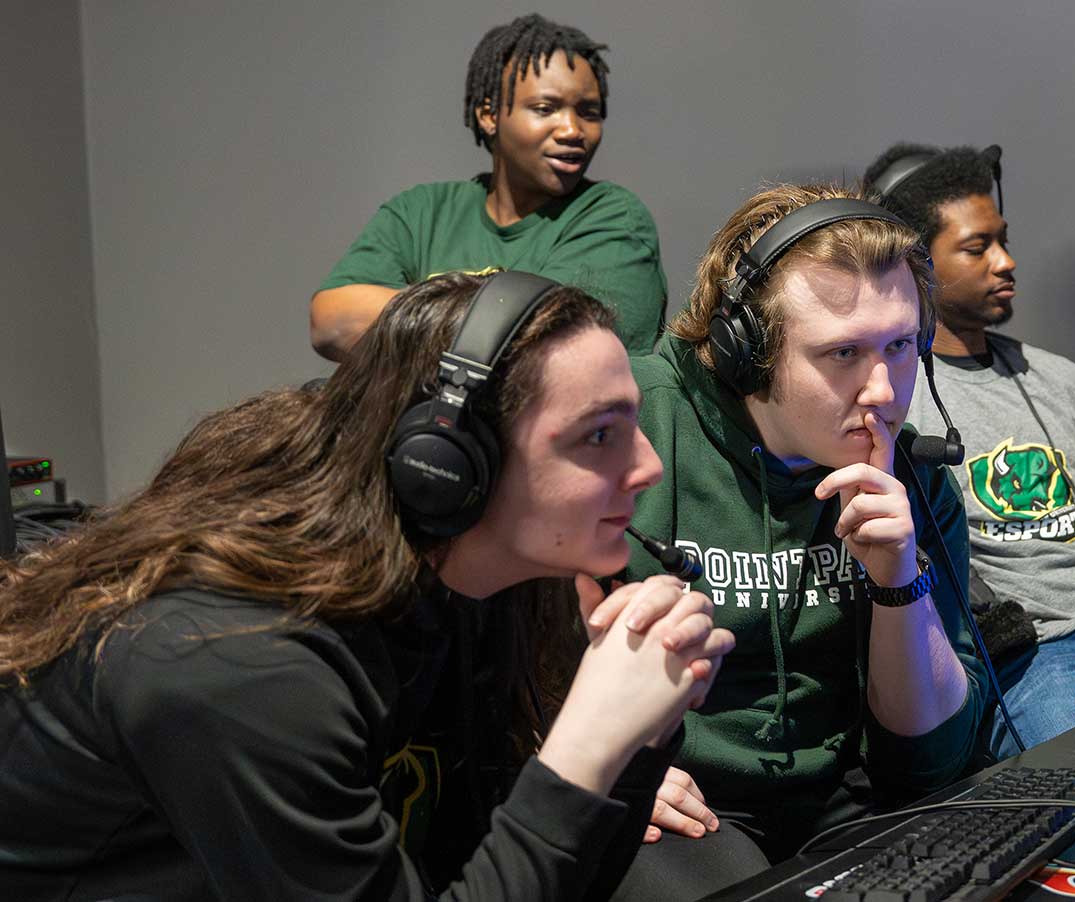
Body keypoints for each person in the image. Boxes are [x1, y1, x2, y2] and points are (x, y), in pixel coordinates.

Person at [0, 271, 733, 900]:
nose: (648, 467)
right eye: (598, 435)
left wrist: (634, 740)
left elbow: (522, 877)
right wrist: (581, 754)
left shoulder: (486, 585)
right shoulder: (235, 664)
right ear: (447, 466)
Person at [609, 183, 987, 900]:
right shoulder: (631, 426)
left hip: (849, 800)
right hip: (684, 799)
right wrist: (584, 759)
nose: (881, 389)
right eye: (842, 352)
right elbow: (493, 629)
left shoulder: (913, 476)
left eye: (901, 345)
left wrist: (897, 581)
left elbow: (930, 760)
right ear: (745, 348)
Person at [865, 143, 1075, 759]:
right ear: (918, 264)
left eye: (1003, 240)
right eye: (977, 246)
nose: (1006, 262)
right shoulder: (899, 398)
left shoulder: (1062, 379)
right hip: (1038, 659)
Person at [310, 13, 667, 361]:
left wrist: (409, 316)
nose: (572, 130)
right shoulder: (420, 212)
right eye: (546, 108)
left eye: (589, 112)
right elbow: (331, 321)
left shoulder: (614, 217)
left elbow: (551, 348)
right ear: (490, 114)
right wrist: (493, 314)